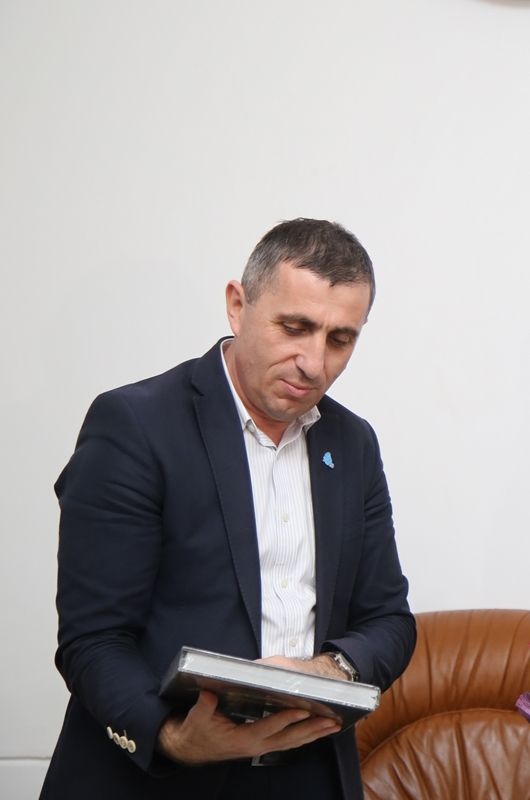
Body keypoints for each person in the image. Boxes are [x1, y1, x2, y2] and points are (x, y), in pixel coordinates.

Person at [41, 219, 417, 800]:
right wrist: (174, 738)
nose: (314, 363)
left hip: (310, 776)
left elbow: (389, 620)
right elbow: (94, 640)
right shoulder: (135, 426)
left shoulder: (352, 442)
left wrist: (328, 670)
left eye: (340, 339)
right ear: (237, 306)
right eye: (295, 327)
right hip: (158, 780)